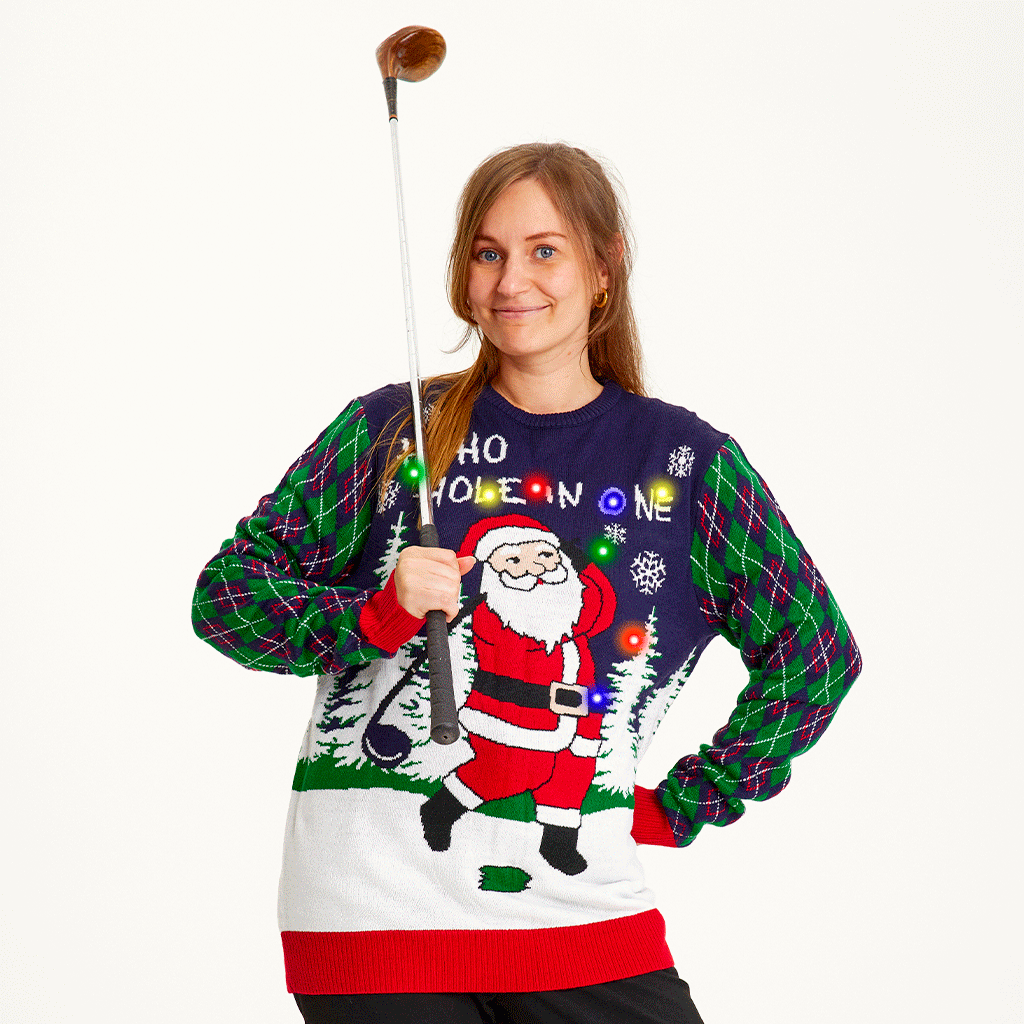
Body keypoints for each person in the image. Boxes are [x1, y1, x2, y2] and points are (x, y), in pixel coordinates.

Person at [192, 142, 861, 1023]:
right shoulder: (393, 430)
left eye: (545, 250)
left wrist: (689, 802)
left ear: (604, 266)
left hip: (583, 920)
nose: (512, 281)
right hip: (375, 922)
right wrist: (378, 614)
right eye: (488, 252)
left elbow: (817, 653)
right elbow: (227, 600)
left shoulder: (684, 461)